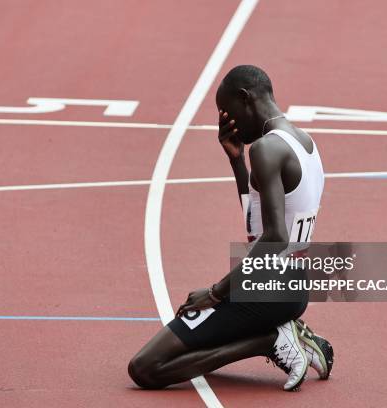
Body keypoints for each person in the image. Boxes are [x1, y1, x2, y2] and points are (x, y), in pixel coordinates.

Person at [128, 65, 333, 392]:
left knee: (146, 368)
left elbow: (276, 239)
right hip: (291, 288)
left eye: (226, 110)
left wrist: (215, 293)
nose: (225, 120)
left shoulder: (267, 149)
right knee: (190, 352)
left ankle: (268, 341)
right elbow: (260, 232)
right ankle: (274, 334)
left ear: (245, 98)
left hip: (265, 292)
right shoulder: (303, 142)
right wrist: (237, 161)